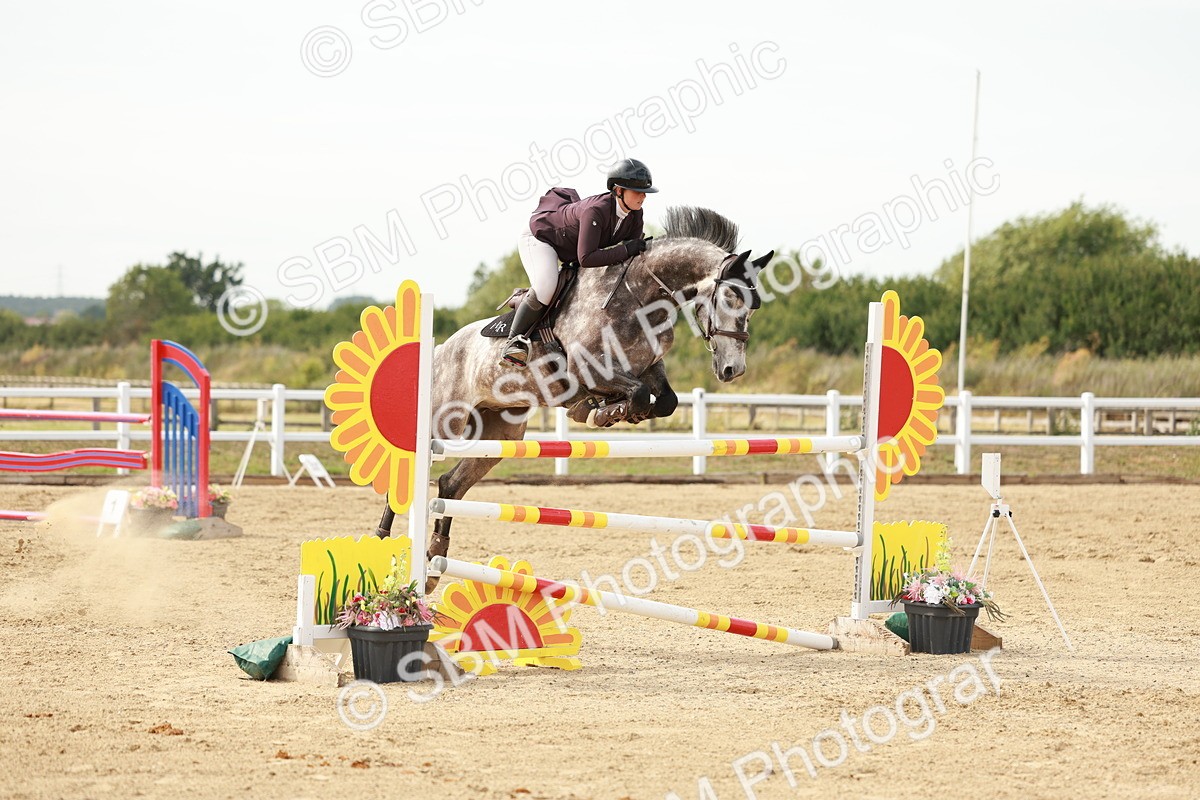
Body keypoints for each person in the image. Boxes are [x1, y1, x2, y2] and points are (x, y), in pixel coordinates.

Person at [501, 158, 659, 367]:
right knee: (547, 285)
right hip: (541, 237)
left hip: (571, 248)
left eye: (645, 192)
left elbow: (629, 259)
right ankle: (514, 342)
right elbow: (587, 258)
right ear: (619, 190)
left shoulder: (635, 215)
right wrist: (626, 249)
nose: (643, 196)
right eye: (637, 191)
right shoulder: (596, 210)